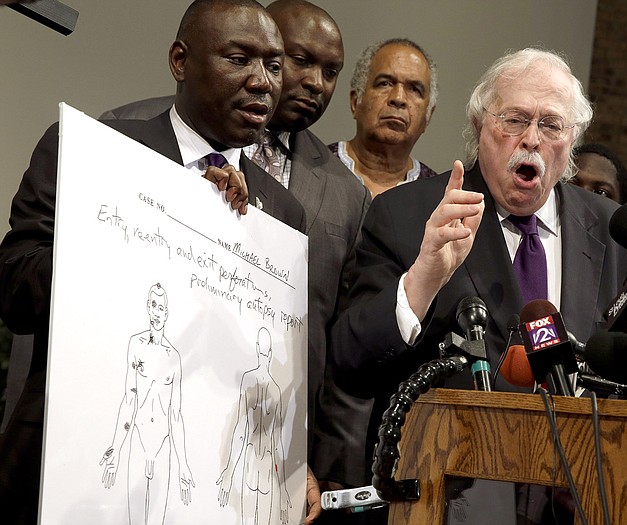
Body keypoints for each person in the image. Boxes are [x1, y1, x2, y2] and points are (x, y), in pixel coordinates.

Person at [0, 0, 311, 522]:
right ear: (179, 61)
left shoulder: (282, 214)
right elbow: (15, 290)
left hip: (209, 488)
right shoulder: (93, 151)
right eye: (239, 59)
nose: (263, 82)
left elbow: (278, 361)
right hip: (70, 466)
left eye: (274, 66)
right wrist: (170, 213)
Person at [329, 47, 627, 523]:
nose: (531, 140)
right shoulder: (410, 216)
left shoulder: (613, 230)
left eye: (551, 125)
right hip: (449, 500)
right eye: (514, 120)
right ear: (479, 126)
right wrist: (423, 280)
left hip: (575, 503)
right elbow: (350, 363)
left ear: (572, 140)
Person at [98, 0, 372, 504]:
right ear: (184, 60)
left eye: (329, 71)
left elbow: (328, 344)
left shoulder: (326, 198)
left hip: (243, 446)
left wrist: (317, 462)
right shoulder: (116, 135)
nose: (307, 81)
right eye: (295, 60)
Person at [100, 284, 194, 525]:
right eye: (153, 305)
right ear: (147, 307)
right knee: (132, 517)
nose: (156, 311)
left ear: (167, 312)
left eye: (161, 307)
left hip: (162, 444)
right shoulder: (136, 345)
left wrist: (184, 465)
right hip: (139, 438)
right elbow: (129, 399)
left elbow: (176, 415)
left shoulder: (174, 357)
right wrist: (116, 448)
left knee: (158, 519)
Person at [329, 38, 439, 197]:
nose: (399, 98)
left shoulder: (436, 197)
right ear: (355, 101)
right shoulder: (312, 168)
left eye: (414, 89)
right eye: (385, 83)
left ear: (428, 117)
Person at [217, 327, 292, 525]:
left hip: (261, 469)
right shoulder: (267, 387)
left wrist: (284, 488)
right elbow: (241, 431)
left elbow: (276, 442)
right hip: (254, 467)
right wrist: (228, 471)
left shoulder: (273, 389)